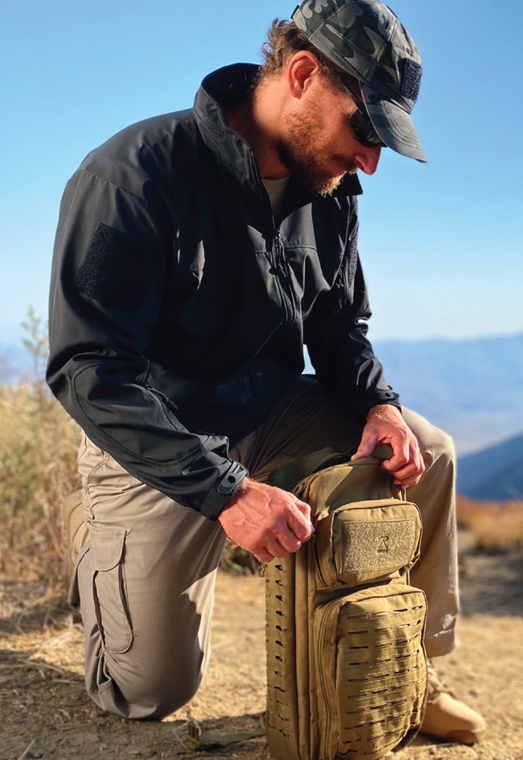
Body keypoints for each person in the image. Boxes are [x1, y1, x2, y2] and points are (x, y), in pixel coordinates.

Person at [47, 0, 485, 745]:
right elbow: (88, 369)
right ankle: (102, 559)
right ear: (304, 74)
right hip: (159, 438)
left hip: (270, 409)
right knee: (149, 692)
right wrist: (223, 492)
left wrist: (377, 405)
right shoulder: (134, 174)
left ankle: (406, 665)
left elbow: (338, 326)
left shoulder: (330, 189)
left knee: (427, 450)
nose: (370, 160)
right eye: (366, 129)